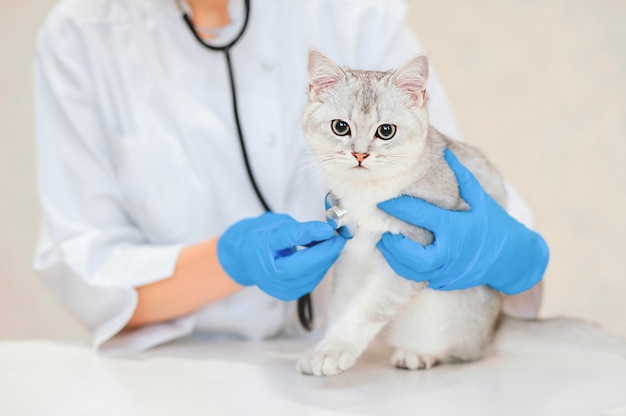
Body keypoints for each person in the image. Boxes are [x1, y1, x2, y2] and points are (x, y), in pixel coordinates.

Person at [33, 0, 548, 353]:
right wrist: (227, 260)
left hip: (367, 366)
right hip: (187, 370)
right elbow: (90, 271)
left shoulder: (345, 9)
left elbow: (442, 168)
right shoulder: (80, 34)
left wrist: (510, 254)